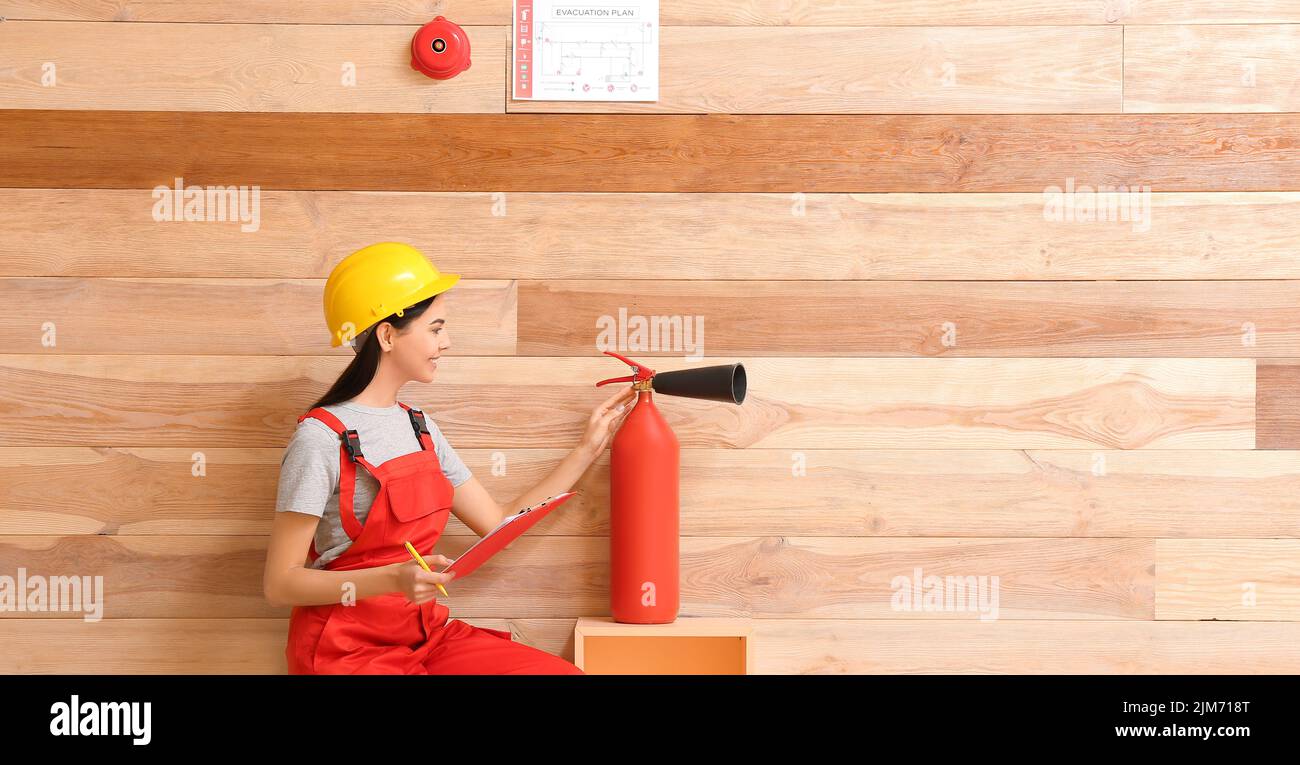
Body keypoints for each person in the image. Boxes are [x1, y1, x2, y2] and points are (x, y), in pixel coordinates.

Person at [263, 242, 635, 674]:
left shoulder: (420, 428)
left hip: (424, 636)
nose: (447, 342)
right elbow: (280, 583)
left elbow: (496, 523)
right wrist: (393, 579)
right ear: (387, 335)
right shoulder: (320, 438)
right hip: (346, 651)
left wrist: (587, 448)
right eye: (436, 329)